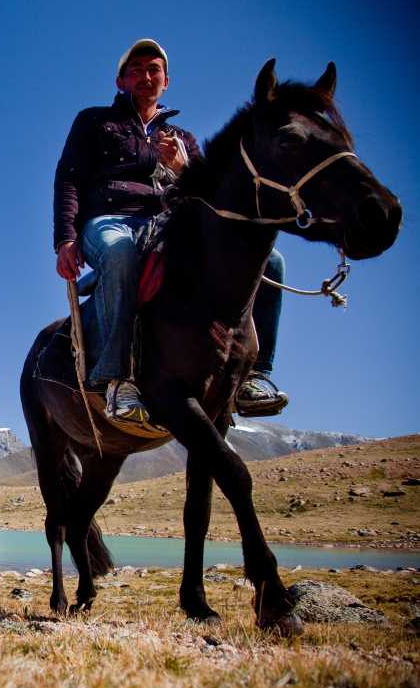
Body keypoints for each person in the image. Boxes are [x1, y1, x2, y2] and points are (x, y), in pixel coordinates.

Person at [53, 38, 288, 424]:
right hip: (110, 220)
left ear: (167, 80)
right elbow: (68, 179)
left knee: (271, 261)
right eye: (136, 70)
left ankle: (256, 375)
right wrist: (65, 238)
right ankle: (116, 378)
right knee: (118, 252)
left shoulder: (185, 140)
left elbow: (210, 199)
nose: (145, 76)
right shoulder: (94, 122)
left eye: (153, 70)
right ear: (120, 81)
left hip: (170, 223)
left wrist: (183, 168)